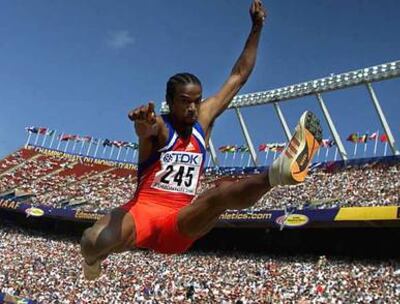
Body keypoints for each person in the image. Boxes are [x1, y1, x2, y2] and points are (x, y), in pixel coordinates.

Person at [81, 0, 322, 280]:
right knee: (92, 240)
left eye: (197, 101)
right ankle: (92, 261)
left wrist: (257, 28)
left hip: (180, 220)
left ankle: (277, 173)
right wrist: (141, 123)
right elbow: (145, 132)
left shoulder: (203, 119)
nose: (193, 108)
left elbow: (238, 76)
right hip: (142, 213)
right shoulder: (158, 125)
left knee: (219, 194)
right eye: (185, 102)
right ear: (170, 102)